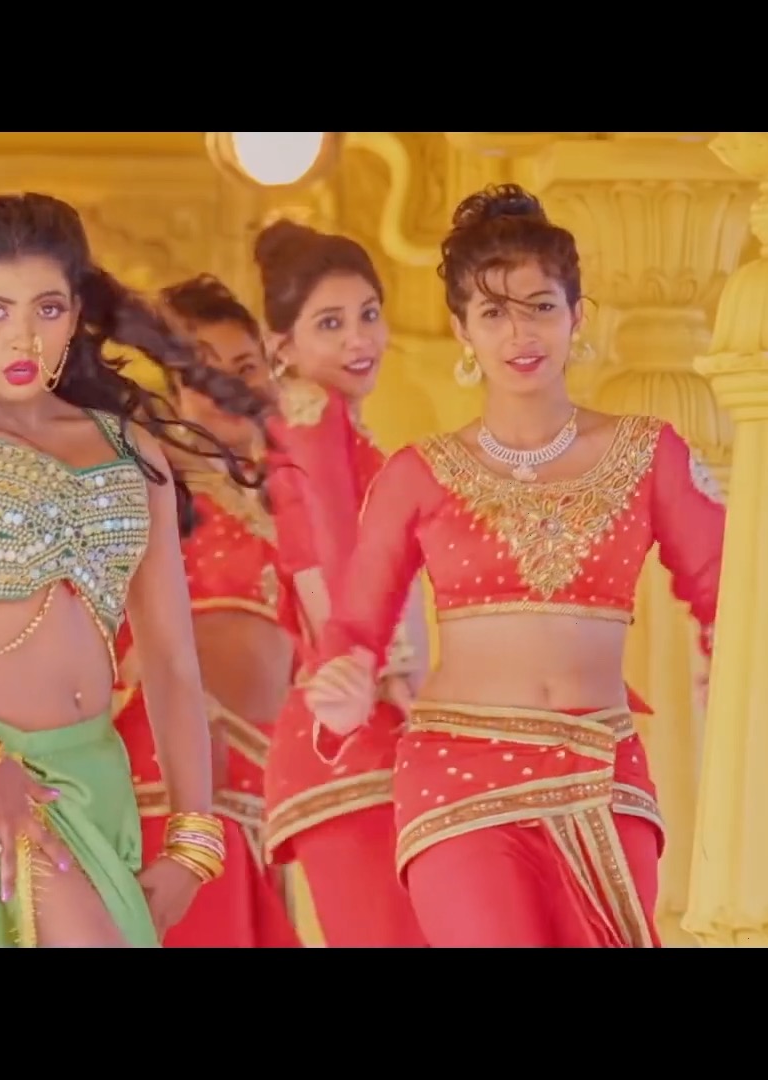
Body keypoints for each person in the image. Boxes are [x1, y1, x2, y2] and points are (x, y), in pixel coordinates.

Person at [0, 192, 269, 947]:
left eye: (48, 308)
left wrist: (194, 841)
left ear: (75, 315)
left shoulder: (131, 448)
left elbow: (171, 659)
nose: (24, 334)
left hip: (94, 781)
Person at [302, 184, 726, 948]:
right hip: (459, 773)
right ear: (461, 328)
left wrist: (729, 663)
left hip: (600, 771)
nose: (520, 332)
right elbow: (357, 626)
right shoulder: (418, 473)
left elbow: (726, 591)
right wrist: (345, 681)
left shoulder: (648, 453)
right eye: (494, 313)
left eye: (540, 306)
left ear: (578, 315)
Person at [104, 273, 303, 948]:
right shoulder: (153, 490)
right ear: (174, 389)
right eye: (203, 374)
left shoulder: (296, 496)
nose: (228, 390)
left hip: (270, 773)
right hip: (177, 766)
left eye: (245, 368)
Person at [252, 221, 429, 947]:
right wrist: (386, 674)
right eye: (330, 324)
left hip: (350, 728)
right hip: (356, 723)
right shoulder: (312, 413)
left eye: (368, 314)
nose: (360, 339)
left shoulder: (341, 430)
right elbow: (333, 553)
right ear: (283, 347)